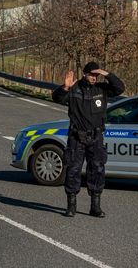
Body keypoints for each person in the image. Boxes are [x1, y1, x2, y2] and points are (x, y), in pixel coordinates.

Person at [52, 61, 125, 218]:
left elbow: (120, 88)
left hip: (96, 137)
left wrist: (107, 74)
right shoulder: (74, 89)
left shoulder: (102, 89)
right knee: (73, 170)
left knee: (97, 170)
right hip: (77, 137)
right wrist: (65, 87)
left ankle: (95, 206)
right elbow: (57, 98)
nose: (94, 77)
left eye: (96, 75)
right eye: (92, 74)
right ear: (84, 74)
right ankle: (71, 206)